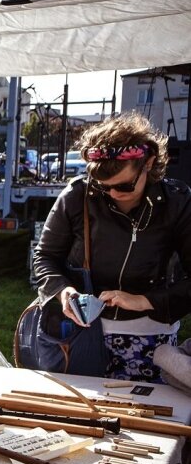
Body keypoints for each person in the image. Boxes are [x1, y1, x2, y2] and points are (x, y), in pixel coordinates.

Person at [33, 112, 191, 383]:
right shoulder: (76, 195)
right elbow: (45, 256)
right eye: (103, 187)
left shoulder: (176, 203)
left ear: (148, 163)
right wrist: (63, 291)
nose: (114, 194)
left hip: (150, 336)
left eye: (124, 186)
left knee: (145, 420)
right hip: (81, 335)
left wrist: (145, 301)